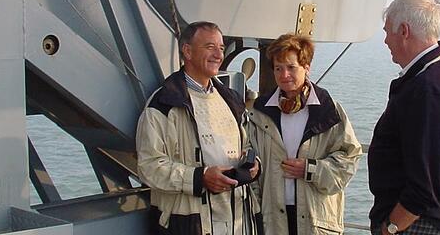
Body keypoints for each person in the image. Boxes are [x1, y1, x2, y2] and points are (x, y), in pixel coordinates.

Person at [368, 0, 440, 235]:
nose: (385, 40)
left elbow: (427, 185)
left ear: (404, 31)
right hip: (423, 221)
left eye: (388, 31)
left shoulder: (431, 88)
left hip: (418, 225)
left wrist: (392, 227)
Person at [136, 21, 260, 234]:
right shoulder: (165, 104)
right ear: (187, 51)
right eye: (210, 47)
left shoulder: (231, 100)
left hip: (238, 221)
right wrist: (199, 177)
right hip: (189, 224)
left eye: (221, 48)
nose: (219, 55)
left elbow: (248, 143)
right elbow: (149, 167)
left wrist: (253, 163)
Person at [248, 33, 362, 235]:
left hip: (315, 220)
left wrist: (311, 170)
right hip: (271, 219)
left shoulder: (328, 111)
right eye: (278, 68)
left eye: (291, 67)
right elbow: (249, 157)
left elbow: (349, 159)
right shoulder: (259, 112)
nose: (284, 75)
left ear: (306, 67)